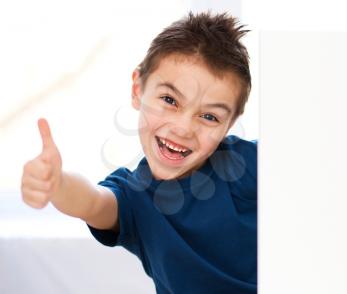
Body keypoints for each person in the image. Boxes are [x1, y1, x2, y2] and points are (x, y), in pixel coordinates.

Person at [21, 11, 257, 294]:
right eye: (170, 100)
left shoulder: (251, 164)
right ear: (137, 89)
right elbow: (93, 202)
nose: (183, 128)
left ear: (230, 124)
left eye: (209, 117)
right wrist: (57, 184)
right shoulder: (136, 197)